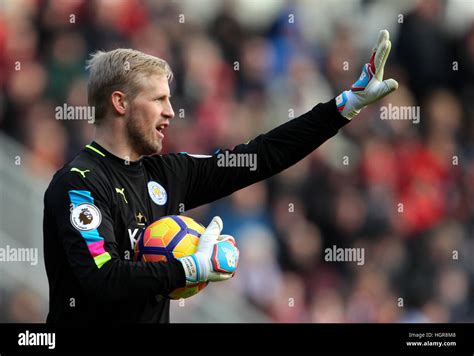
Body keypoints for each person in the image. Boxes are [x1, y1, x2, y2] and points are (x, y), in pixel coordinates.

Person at [43, 30, 398, 323]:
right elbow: (101, 276)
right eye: (158, 100)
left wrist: (344, 107)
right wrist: (189, 269)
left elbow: (260, 156)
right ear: (120, 103)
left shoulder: (166, 173)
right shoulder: (79, 183)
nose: (170, 111)